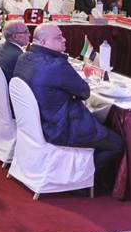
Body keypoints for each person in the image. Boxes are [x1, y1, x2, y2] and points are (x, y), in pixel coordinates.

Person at [12, 24, 124, 173]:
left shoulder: (23, 57)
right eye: (58, 38)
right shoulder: (56, 65)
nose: (64, 39)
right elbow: (85, 92)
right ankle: (81, 176)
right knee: (116, 143)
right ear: (43, 42)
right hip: (58, 128)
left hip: (32, 124)